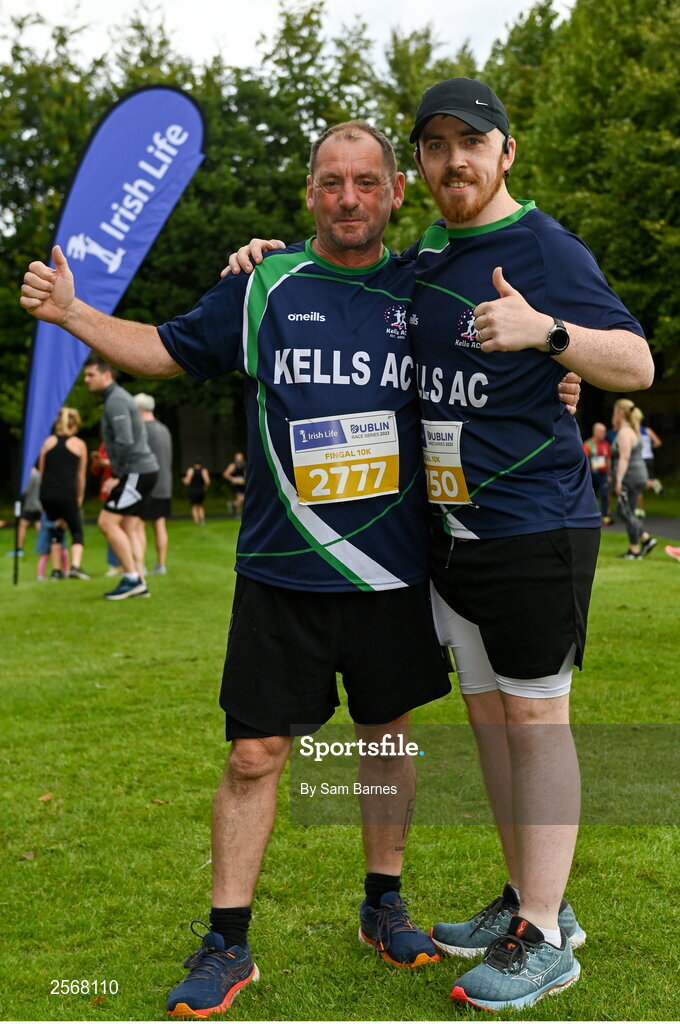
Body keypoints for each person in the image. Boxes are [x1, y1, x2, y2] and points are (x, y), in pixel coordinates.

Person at [224, 85, 653, 1010]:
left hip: (535, 525)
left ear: (507, 153)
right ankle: (531, 904)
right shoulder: (425, 258)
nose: (453, 160)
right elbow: (345, 286)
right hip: (449, 536)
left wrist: (552, 334)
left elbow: (638, 362)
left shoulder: (543, 247)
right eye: (436, 145)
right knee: (494, 725)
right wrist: (264, 256)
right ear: (419, 166)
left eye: (472, 143)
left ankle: (546, 938)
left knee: (539, 722)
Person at [20, 121, 460, 1019]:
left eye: (367, 183)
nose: (349, 198)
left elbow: (494, 363)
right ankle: (228, 940)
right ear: (309, 194)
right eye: (332, 182)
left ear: (395, 194)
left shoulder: (424, 284)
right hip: (280, 573)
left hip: (389, 574)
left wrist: (562, 376)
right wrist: (72, 314)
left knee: (387, 740)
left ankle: (384, 906)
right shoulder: (262, 284)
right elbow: (163, 347)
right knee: (256, 754)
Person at [82, 355, 159, 600]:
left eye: (90, 375)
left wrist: (116, 474)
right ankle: (140, 580)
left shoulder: (115, 401)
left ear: (107, 375)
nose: (86, 380)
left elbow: (125, 441)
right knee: (129, 526)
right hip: (141, 470)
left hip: (137, 471)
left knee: (106, 522)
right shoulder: (116, 399)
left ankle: (132, 579)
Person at [38, 406, 90, 580]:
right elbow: (80, 475)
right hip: (67, 493)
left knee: (56, 527)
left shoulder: (47, 442)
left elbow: (42, 471)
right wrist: (80, 496)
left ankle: (56, 569)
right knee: (76, 530)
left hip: (48, 494)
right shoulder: (79, 444)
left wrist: (41, 497)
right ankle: (75, 566)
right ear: (75, 425)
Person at [611, 398, 656, 559]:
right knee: (624, 511)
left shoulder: (624, 432)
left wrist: (618, 479)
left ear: (620, 413)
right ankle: (645, 538)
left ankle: (635, 550)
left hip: (630, 476)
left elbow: (624, 457)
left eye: (614, 411)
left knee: (626, 512)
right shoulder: (633, 430)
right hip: (639, 474)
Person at [133, 393, 173, 574]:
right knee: (159, 524)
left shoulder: (141, 429)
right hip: (165, 483)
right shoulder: (164, 429)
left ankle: (139, 565)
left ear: (140, 409)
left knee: (138, 524)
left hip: (147, 484)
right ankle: (160, 564)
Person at [90, 443, 122, 576]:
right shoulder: (105, 445)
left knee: (125, 526)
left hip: (124, 488)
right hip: (107, 492)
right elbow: (96, 470)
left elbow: (129, 465)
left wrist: (105, 463)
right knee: (110, 527)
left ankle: (134, 564)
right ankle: (116, 564)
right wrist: (97, 463)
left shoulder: (126, 439)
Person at [7, 465, 42, 558]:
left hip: (31, 505)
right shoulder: (40, 474)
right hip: (39, 505)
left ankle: (19, 549)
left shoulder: (31, 475)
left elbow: (26, 491)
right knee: (38, 525)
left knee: (22, 525)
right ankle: (45, 547)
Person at [583, 422, 612, 523]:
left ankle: (605, 515)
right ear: (596, 432)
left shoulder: (606, 444)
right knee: (592, 495)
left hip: (603, 474)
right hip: (592, 474)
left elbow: (608, 459)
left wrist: (609, 474)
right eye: (602, 431)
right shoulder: (588, 444)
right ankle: (591, 515)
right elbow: (584, 459)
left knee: (604, 493)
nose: (604, 433)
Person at [183, 460, 210, 525]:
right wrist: (205, 488)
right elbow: (207, 481)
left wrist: (184, 480)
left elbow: (187, 481)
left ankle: (197, 521)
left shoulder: (191, 470)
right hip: (201, 490)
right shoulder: (204, 470)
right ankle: (202, 520)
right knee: (200, 505)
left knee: (194, 506)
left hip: (193, 490)